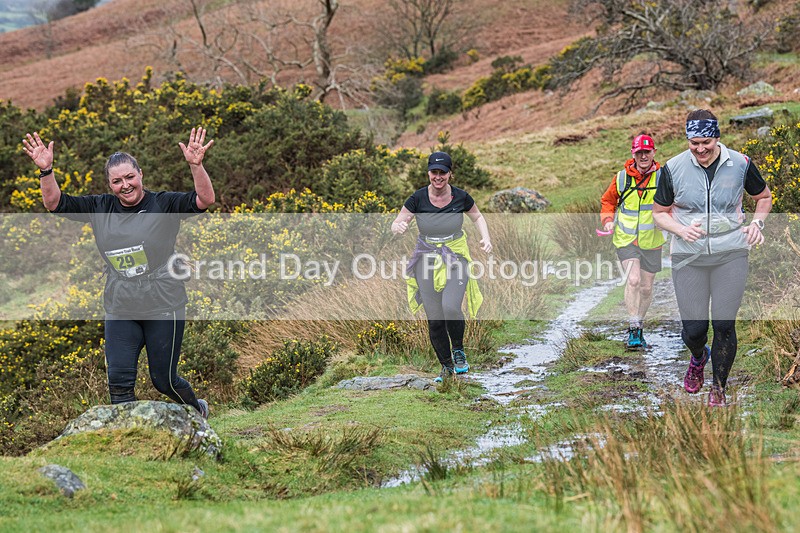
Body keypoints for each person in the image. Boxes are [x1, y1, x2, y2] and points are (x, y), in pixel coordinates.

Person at [22, 128, 216, 418]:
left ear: (140, 174)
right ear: (109, 184)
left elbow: (205, 200)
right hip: (121, 304)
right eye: (117, 181)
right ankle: (129, 442)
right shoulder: (99, 207)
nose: (125, 185)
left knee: (164, 382)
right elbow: (54, 204)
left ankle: (198, 412)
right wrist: (46, 170)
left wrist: (195, 165)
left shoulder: (163, 204)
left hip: (163, 302)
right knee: (119, 384)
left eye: (129, 177)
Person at [652, 110, 772, 407]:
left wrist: (757, 224)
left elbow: (764, 197)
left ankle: (718, 388)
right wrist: (680, 229)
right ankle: (697, 356)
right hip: (688, 256)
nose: (701, 149)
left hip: (730, 253)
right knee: (694, 330)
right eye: (694, 143)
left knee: (723, 324)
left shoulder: (741, 164)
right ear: (688, 141)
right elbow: (658, 214)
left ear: (717, 137)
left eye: (706, 141)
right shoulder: (673, 168)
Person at [391, 151, 492, 382]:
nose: (438, 177)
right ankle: (446, 367)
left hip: (455, 256)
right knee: (435, 319)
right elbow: (398, 221)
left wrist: (486, 238)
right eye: (434, 172)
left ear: (450, 174)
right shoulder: (417, 198)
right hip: (426, 258)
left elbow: (477, 217)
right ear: (428, 173)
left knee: (451, 308)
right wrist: (397, 227)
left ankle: (458, 350)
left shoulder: (461, 197)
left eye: (442, 172)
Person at [600, 134, 665, 350]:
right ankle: (633, 328)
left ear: (654, 152)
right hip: (626, 239)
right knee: (634, 280)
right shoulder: (621, 178)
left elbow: (674, 202)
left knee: (646, 289)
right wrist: (608, 220)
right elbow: (608, 201)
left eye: (647, 152)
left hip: (652, 241)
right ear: (633, 154)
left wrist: (669, 220)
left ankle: (640, 325)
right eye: (639, 152)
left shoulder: (663, 177)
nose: (643, 156)